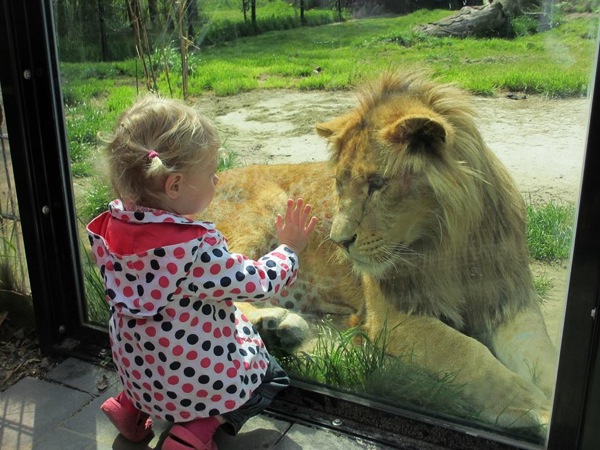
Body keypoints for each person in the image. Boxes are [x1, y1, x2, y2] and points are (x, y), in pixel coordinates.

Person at [87, 96, 318, 450]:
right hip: (188, 380)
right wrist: (289, 248)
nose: (218, 178)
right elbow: (257, 282)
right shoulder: (194, 249)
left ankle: (130, 410)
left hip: (138, 371)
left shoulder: (111, 225)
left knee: (154, 352)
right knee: (268, 376)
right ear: (175, 186)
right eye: (211, 173)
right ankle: (193, 434)